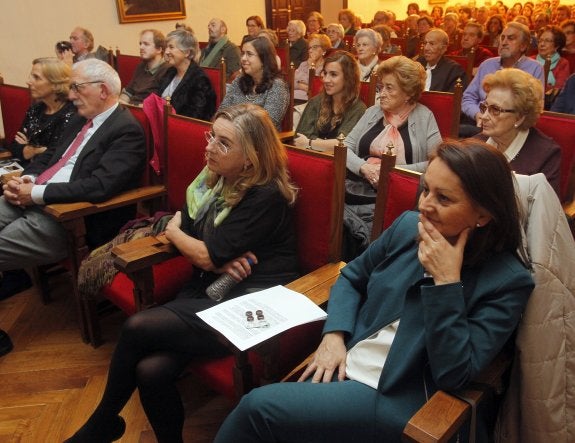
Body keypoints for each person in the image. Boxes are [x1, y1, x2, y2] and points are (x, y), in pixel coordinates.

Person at [214, 139, 534, 443]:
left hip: (398, 396)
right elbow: (352, 277)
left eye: (444, 198)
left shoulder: (506, 281)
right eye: (426, 191)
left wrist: (447, 282)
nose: (425, 205)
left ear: (483, 214)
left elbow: (454, 373)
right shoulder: (409, 226)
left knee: (255, 410)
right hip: (349, 361)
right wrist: (334, 334)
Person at [63, 103, 299, 443]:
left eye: (223, 143)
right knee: (150, 371)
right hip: (213, 288)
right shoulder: (213, 180)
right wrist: (209, 254)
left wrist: (184, 240)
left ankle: (102, 422)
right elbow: (201, 243)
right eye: (211, 136)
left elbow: (199, 246)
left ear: (250, 158)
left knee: (137, 326)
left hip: (252, 304)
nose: (209, 147)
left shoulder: (265, 195)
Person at [0, 59, 146, 275]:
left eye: (76, 87)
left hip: (69, 218)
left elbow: (100, 186)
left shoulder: (126, 130)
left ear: (103, 90)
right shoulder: (80, 118)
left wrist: (36, 193)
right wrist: (28, 178)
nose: (70, 96)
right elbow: (51, 154)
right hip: (35, 197)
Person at [342, 56, 441, 258]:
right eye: (380, 88)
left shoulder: (424, 117)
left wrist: (392, 173)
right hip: (355, 186)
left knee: (359, 234)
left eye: (389, 88)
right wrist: (364, 168)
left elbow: (436, 162)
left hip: (398, 193)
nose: (381, 95)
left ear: (408, 93)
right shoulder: (372, 112)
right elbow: (345, 147)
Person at [475, 68, 561, 195]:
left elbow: (544, 209)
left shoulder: (545, 155)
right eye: (484, 107)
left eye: (495, 110)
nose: (484, 116)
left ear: (520, 118)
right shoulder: (475, 144)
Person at [462, 22, 545, 133]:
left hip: (514, 130)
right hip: (481, 125)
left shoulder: (535, 68)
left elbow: (534, 108)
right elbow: (468, 98)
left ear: (523, 45)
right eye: (502, 38)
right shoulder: (487, 65)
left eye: (511, 38)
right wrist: (478, 114)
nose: (504, 42)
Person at [294, 51, 366, 153]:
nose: (326, 80)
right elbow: (300, 138)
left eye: (333, 74)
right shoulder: (316, 101)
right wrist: (326, 145)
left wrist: (309, 143)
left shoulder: (357, 108)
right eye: (325, 73)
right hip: (310, 158)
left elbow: (342, 144)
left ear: (348, 78)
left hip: (338, 164)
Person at [9, 58, 76, 166]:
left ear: (55, 84)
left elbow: (57, 156)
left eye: (36, 77)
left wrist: (29, 147)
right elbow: (15, 146)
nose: (28, 81)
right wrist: (36, 150)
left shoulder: (72, 113)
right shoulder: (35, 109)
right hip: (26, 171)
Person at [219, 36, 289, 130]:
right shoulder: (239, 80)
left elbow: (268, 124)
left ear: (264, 59)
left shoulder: (277, 86)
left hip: (260, 141)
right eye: (243, 53)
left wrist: (234, 128)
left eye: (249, 54)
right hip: (232, 134)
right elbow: (222, 112)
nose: (243, 58)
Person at [157, 29, 216, 120]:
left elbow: (194, 117)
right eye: (166, 47)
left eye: (171, 47)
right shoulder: (170, 72)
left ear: (187, 52)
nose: (166, 52)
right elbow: (157, 99)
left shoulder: (200, 80)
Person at [119, 29, 169, 106]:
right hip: (131, 109)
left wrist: (132, 107)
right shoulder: (141, 66)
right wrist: (121, 103)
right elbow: (128, 91)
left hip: (146, 112)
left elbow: (160, 104)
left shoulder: (167, 70)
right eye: (140, 44)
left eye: (146, 44)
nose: (141, 47)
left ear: (159, 49)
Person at [293, 34, 331, 102]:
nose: (310, 51)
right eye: (310, 48)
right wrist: (301, 86)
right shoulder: (303, 64)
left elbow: (316, 89)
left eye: (315, 47)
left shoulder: (326, 67)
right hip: (294, 99)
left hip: (312, 102)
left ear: (324, 51)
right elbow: (292, 82)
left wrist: (311, 66)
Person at [533, 25, 570, 92]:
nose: (542, 44)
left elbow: (559, 89)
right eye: (540, 40)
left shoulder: (563, 63)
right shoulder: (531, 60)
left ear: (557, 46)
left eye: (547, 41)